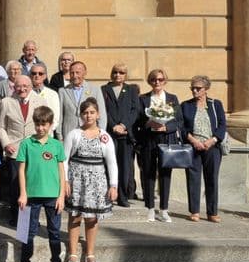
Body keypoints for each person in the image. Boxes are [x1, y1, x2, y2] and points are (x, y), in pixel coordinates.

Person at [63, 98, 118, 262]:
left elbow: (111, 162)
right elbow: (64, 160)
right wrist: (65, 181)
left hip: (97, 182)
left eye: (92, 112)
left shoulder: (105, 137)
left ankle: (90, 253)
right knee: (75, 216)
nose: (88, 116)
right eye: (85, 112)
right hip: (77, 179)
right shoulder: (74, 134)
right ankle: (72, 253)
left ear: (98, 114)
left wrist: (113, 185)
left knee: (92, 218)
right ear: (81, 115)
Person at [17, 106, 67, 262]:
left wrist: (61, 196)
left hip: (53, 196)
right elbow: (22, 170)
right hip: (31, 196)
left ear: (51, 124)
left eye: (44, 124)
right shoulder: (26, 144)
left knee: (54, 232)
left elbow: (61, 171)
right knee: (29, 232)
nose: (40, 128)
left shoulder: (56, 145)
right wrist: (23, 193)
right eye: (37, 124)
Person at [0, 76, 47, 226]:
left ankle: (32, 219)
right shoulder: (6, 102)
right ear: (13, 87)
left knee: (33, 185)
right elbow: (1, 127)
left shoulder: (40, 101)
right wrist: (6, 143)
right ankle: (16, 216)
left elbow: (45, 125)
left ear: (31, 86)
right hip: (15, 149)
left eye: (25, 86)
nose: (22, 89)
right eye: (19, 86)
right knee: (15, 185)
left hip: (35, 149)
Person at [135, 68, 182, 223]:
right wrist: (149, 123)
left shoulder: (172, 98)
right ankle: (149, 208)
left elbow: (179, 121)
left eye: (160, 79)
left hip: (166, 140)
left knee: (165, 174)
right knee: (148, 174)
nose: (157, 82)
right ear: (150, 81)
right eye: (154, 79)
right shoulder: (143, 99)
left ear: (165, 81)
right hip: (149, 140)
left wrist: (166, 127)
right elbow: (138, 120)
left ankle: (164, 209)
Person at [180, 75, 227, 223]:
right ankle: (194, 211)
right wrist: (193, 141)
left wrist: (212, 141)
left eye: (198, 88)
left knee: (211, 178)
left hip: (212, 147)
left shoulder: (215, 105)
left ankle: (212, 212)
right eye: (192, 88)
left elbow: (222, 125)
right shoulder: (185, 105)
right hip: (193, 146)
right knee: (193, 179)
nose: (194, 90)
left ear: (206, 89)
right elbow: (181, 127)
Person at [100, 63, 140, 207]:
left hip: (125, 134)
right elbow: (103, 110)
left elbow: (135, 110)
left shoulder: (131, 90)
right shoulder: (104, 89)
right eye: (115, 72)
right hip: (110, 133)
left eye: (121, 73)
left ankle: (122, 196)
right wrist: (113, 126)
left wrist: (123, 125)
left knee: (124, 167)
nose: (118, 75)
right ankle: (108, 195)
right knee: (108, 164)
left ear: (125, 75)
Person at [58, 61, 107, 140]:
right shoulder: (63, 91)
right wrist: (60, 136)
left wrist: (101, 133)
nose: (74, 76)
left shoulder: (95, 89)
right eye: (72, 73)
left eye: (78, 73)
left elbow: (101, 114)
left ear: (84, 73)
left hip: (91, 134)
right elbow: (60, 115)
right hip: (69, 134)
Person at [29, 62, 61, 138]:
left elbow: (55, 118)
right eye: (34, 73)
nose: (37, 76)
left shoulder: (52, 94)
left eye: (40, 73)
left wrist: (45, 131)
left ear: (45, 76)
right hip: (29, 136)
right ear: (30, 75)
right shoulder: (26, 93)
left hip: (47, 136)